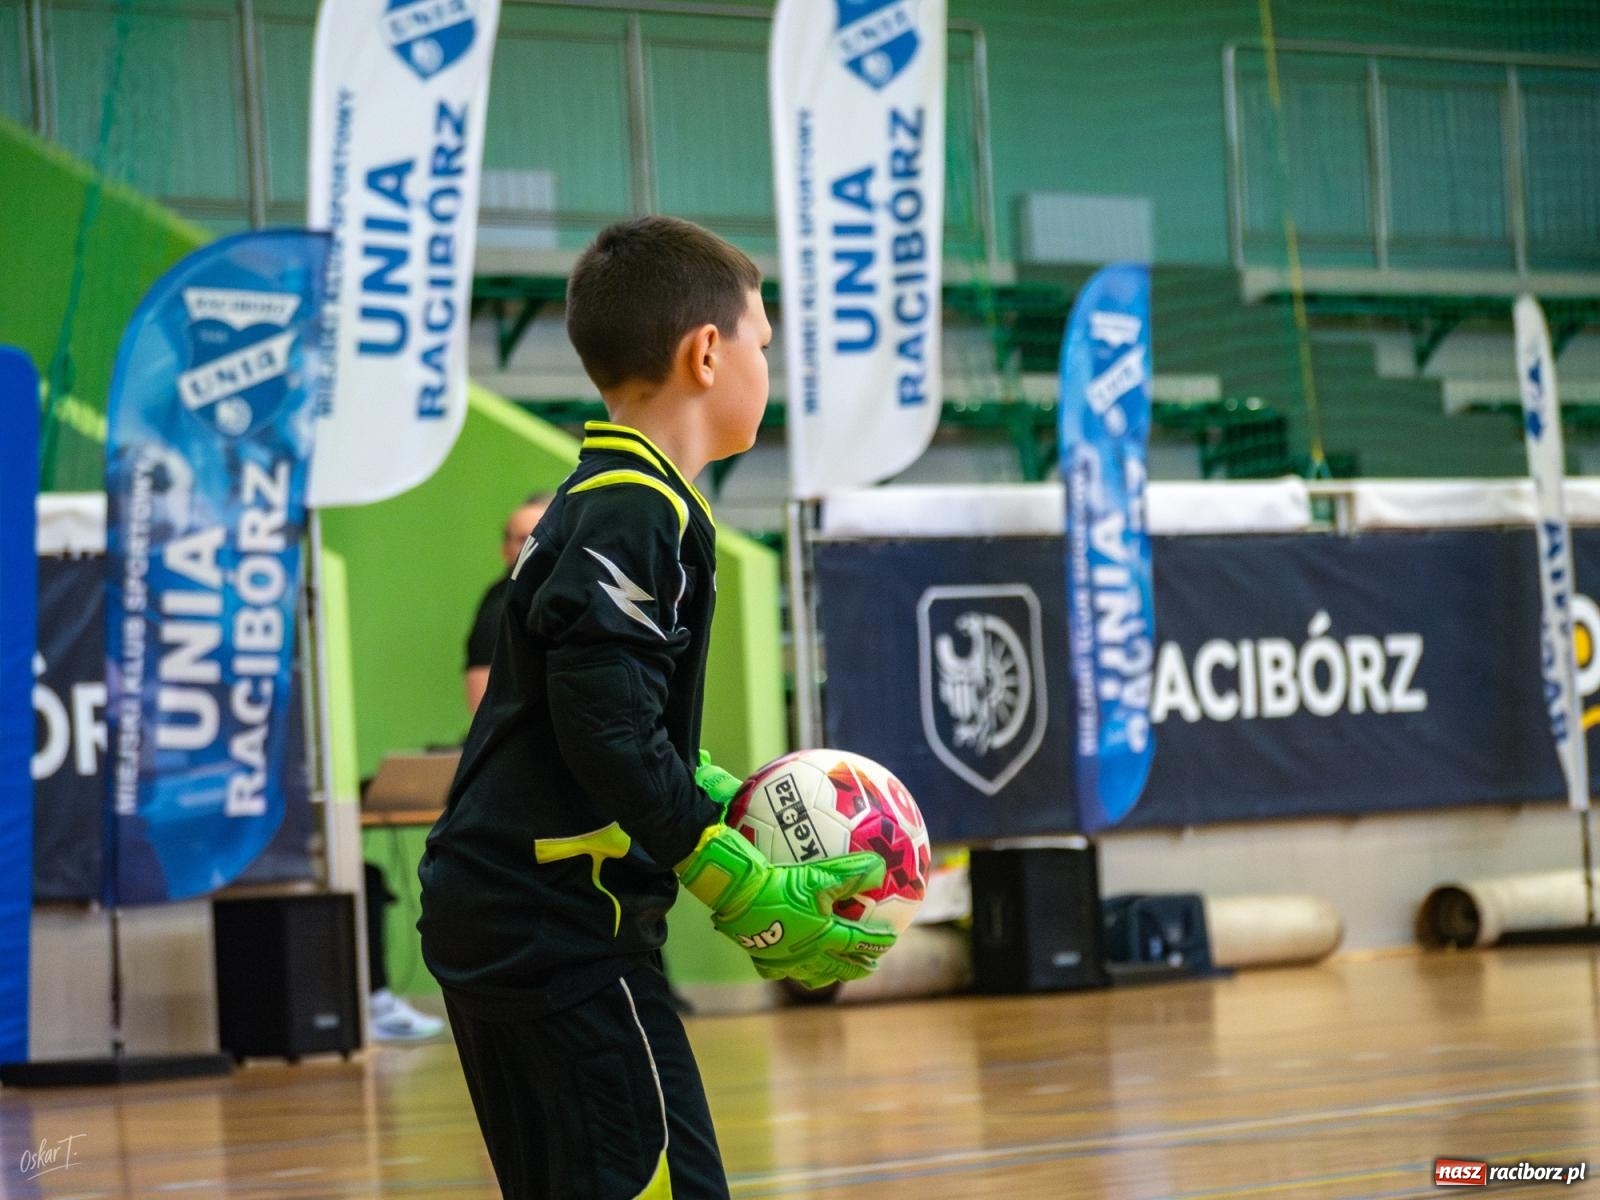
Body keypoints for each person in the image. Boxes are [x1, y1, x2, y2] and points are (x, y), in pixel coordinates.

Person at [417, 216, 896, 1200]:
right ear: (707, 352)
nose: (770, 364)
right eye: (764, 342)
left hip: (505, 916)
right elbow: (604, 728)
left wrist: (715, 789)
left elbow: (588, 704)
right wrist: (728, 876)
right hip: (557, 929)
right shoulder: (639, 509)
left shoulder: (606, 496)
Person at [465, 494, 552, 713]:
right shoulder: (500, 607)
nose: (534, 547)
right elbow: (482, 696)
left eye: (542, 536)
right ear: (505, 550)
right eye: (524, 539)